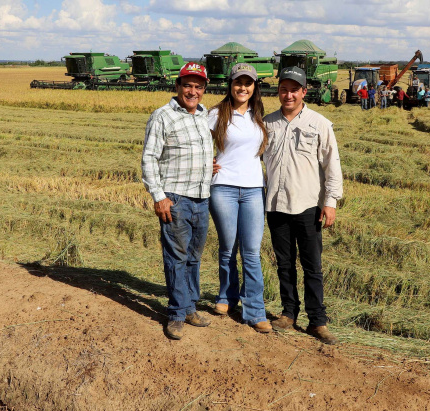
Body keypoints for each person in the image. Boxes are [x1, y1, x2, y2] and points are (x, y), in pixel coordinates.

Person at [263, 66, 343, 345]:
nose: (288, 94)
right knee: (284, 264)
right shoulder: (267, 123)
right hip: (276, 204)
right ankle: (288, 313)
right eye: (283, 89)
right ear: (278, 92)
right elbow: (247, 156)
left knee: (312, 266)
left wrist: (330, 202)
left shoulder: (319, 123)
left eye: (293, 89)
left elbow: (332, 165)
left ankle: (317, 321)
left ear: (303, 92)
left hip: (308, 205)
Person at [141, 62, 214, 340]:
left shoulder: (203, 116)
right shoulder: (162, 116)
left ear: (204, 89)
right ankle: (175, 313)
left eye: (198, 86)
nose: (192, 91)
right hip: (175, 199)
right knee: (176, 257)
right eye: (188, 85)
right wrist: (159, 197)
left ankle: (190, 306)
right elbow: (149, 157)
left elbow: (196, 152)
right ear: (178, 86)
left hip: (201, 198)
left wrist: (210, 165)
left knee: (194, 257)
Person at [207, 63, 272, 334]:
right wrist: (204, 162)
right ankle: (226, 297)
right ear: (230, 85)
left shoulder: (259, 116)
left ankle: (255, 310)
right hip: (223, 187)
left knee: (252, 253)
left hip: (254, 189)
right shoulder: (216, 114)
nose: (242, 87)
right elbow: (194, 140)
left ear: (254, 87)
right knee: (227, 249)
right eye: (237, 82)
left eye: (248, 83)